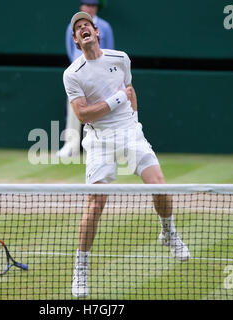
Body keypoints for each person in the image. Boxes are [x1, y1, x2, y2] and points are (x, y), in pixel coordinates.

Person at [63, 12, 191, 298]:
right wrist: (117, 100)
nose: (83, 29)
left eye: (87, 25)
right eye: (78, 28)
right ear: (75, 39)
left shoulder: (120, 58)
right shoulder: (72, 74)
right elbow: (82, 114)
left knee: (161, 187)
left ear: (97, 32)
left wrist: (133, 117)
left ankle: (168, 232)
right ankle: (80, 269)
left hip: (129, 132)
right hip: (99, 139)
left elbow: (130, 89)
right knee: (95, 204)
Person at [56, 0, 115, 158]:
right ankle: (71, 146)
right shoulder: (71, 27)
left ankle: (103, 146)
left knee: (101, 109)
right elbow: (71, 51)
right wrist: (78, 68)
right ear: (82, 6)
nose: (89, 8)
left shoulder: (105, 27)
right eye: (87, 5)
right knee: (74, 108)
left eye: (93, 5)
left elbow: (109, 50)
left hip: (100, 76)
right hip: (79, 75)